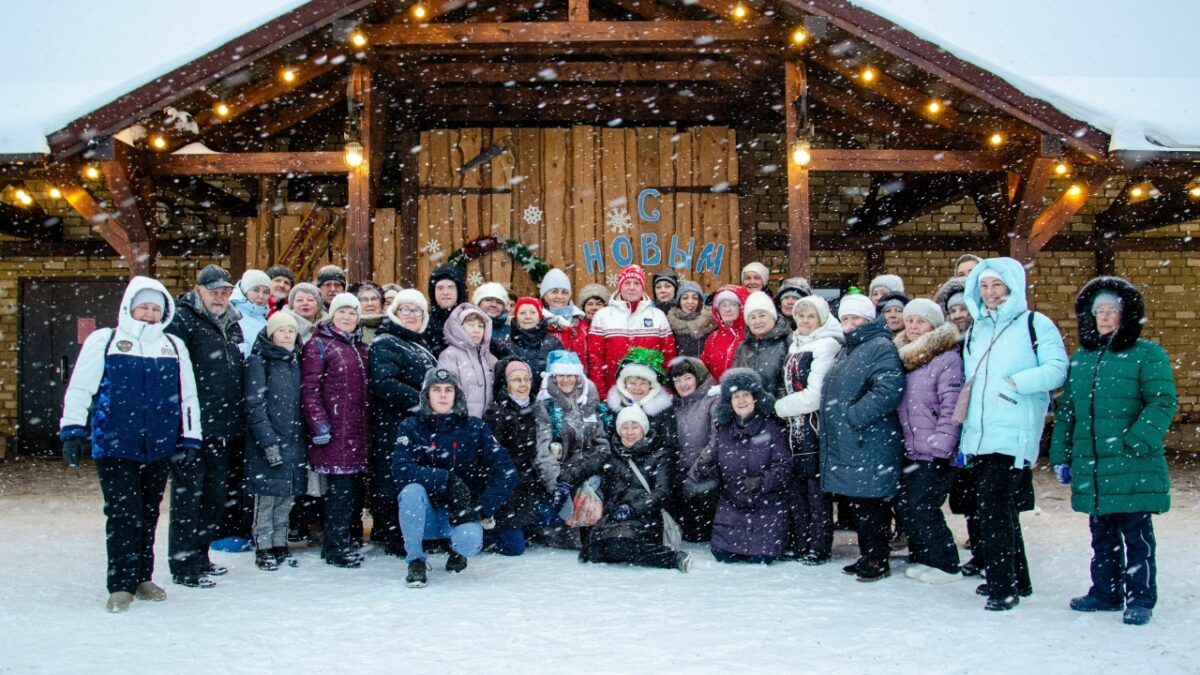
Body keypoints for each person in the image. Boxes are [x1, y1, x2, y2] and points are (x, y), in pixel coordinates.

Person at [59, 277, 201, 612]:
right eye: (144, 307)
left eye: (156, 308)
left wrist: (191, 437)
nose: (150, 314)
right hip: (115, 443)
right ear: (130, 307)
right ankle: (120, 584)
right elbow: (81, 387)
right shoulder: (106, 340)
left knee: (149, 512)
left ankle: (142, 577)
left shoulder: (173, 345)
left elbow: (188, 395)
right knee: (123, 513)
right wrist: (72, 429)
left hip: (160, 444)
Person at [1050, 277, 1176, 626]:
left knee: (1136, 535)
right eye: (1098, 311)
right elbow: (1068, 413)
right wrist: (1062, 455)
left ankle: (1140, 598)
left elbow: (1162, 402)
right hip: (1093, 467)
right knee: (1102, 535)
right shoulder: (1083, 359)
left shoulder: (1147, 354)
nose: (1104, 317)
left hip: (1132, 463)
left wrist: (1135, 442)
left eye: (1112, 311)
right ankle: (1105, 592)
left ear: (1127, 315)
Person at [959, 257, 1067, 611]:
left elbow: (1057, 369)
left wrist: (1017, 384)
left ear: (1012, 287)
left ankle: (1002, 586)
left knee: (993, 510)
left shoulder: (1035, 324)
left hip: (1012, 428)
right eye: (984, 287)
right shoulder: (978, 328)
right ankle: (1018, 578)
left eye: (997, 286)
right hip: (981, 431)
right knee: (1000, 509)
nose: (990, 293)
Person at [393, 369, 518, 588]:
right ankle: (416, 560)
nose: (443, 395)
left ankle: (457, 550)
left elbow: (507, 470)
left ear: (456, 394)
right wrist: (446, 479)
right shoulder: (411, 427)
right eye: (436, 389)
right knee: (410, 492)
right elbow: (401, 470)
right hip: (425, 513)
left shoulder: (475, 428)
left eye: (448, 390)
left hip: (460, 512)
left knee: (469, 544)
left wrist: (482, 508)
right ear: (427, 394)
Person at [165, 264, 245, 588]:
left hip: (223, 427)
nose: (220, 297)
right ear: (198, 289)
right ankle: (183, 566)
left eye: (225, 292)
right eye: (214, 291)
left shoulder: (232, 323)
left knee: (214, 497)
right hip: (191, 428)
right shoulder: (182, 320)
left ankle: (201, 556)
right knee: (188, 498)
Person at [819, 294, 905, 583]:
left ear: (868, 319)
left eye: (856, 318)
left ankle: (877, 559)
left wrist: (854, 417)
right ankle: (869, 555)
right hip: (853, 441)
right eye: (845, 319)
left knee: (871, 504)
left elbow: (888, 390)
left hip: (868, 440)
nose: (850, 323)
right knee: (859, 503)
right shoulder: (851, 348)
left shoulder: (879, 346)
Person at [553, 405, 691, 572]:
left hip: (645, 517)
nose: (630, 432)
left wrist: (633, 509)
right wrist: (564, 483)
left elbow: (662, 492)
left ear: (644, 429)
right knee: (591, 553)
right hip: (612, 517)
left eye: (635, 427)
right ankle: (623, 548)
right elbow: (584, 466)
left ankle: (672, 558)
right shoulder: (610, 455)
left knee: (623, 542)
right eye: (625, 427)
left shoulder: (659, 456)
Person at [893, 299, 963, 584]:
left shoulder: (946, 358)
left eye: (920, 321)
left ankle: (947, 564)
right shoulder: (905, 356)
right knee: (909, 506)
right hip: (911, 448)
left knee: (925, 506)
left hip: (935, 449)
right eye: (910, 321)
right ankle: (924, 558)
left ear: (933, 326)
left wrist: (942, 445)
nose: (913, 326)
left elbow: (952, 406)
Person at [689, 369, 792, 565]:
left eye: (746, 395)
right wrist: (705, 470)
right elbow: (716, 461)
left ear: (755, 398)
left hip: (766, 506)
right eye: (736, 396)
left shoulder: (772, 427)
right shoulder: (724, 429)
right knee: (723, 556)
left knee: (759, 559)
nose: (741, 400)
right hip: (732, 505)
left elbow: (784, 467)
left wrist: (762, 481)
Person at [301, 292, 371, 568]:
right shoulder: (319, 345)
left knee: (351, 491)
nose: (347, 317)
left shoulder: (359, 346)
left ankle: (345, 540)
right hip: (335, 432)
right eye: (341, 312)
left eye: (352, 313)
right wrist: (319, 425)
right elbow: (310, 389)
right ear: (332, 315)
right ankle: (335, 546)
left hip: (357, 431)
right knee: (339, 493)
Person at [775, 295, 843, 564]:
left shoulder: (825, 345)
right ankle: (802, 541)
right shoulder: (796, 344)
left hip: (814, 428)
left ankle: (819, 544)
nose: (804, 320)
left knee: (816, 491)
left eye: (810, 316)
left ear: (821, 319)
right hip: (795, 429)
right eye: (800, 315)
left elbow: (815, 396)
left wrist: (778, 407)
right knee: (798, 489)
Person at [369, 289, 437, 557]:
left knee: (411, 477)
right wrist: (424, 402)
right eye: (405, 309)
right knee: (392, 478)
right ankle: (393, 535)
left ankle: (413, 532)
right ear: (395, 313)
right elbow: (385, 384)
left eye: (417, 310)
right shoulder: (387, 342)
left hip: (418, 425)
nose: (411, 315)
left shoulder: (420, 344)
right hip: (394, 424)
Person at [243, 311, 307, 571]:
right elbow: (254, 405)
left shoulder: (296, 362)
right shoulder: (259, 362)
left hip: (294, 441)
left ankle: (280, 543)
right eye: (282, 330)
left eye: (291, 330)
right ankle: (263, 546)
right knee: (266, 498)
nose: (287, 335)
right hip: (269, 441)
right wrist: (267, 440)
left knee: (286, 497)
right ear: (271, 333)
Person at [534, 350, 611, 548]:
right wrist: (557, 485)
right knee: (566, 521)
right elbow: (543, 451)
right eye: (561, 375)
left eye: (570, 375)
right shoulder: (546, 404)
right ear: (554, 376)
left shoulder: (589, 398)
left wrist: (590, 476)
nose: (566, 380)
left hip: (588, 470)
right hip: (560, 473)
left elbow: (601, 444)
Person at [484, 358, 554, 556]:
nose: (522, 384)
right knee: (514, 548)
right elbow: (495, 461)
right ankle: (489, 534)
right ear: (506, 384)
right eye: (516, 380)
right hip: (510, 489)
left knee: (551, 523)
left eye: (526, 379)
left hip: (533, 485)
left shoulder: (537, 408)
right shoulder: (496, 413)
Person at [586, 264, 676, 397]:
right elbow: (595, 360)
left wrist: (666, 391)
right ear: (620, 286)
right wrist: (601, 394)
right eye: (627, 283)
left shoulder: (657, 316)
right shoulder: (603, 315)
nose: (632, 287)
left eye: (636, 283)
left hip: (650, 394)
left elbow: (669, 357)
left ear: (643, 288)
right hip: (614, 394)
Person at [669, 356, 719, 542]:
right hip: (680, 474)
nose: (683, 384)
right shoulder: (673, 404)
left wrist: (694, 473)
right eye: (677, 379)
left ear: (698, 377)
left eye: (687, 377)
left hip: (706, 473)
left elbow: (716, 441)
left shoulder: (713, 400)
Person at [605, 348, 679, 469]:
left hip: (653, 469)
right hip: (621, 470)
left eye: (643, 383)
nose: (637, 388)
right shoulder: (614, 408)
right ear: (624, 384)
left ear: (651, 386)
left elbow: (669, 446)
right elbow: (609, 442)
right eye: (633, 383)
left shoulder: (662, 410)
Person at [437, 303, 499, 418]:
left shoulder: (488, 358)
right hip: (461, 425)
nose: (477, 330)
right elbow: (447, 393)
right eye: (471, 325)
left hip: (485, 426)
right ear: (459, 328)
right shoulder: (449, 356)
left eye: (481, 326)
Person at [732, 291, 792, 398]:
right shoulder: (743, 347)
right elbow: (733, 380)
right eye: (752, 317)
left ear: (773, 317)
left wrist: (775, 406)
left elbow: (790, 383)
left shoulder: (786, 343)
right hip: (748, 410)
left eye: (762, 315)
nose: (757, 321)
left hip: (777, 410)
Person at [499, 297, 563, 388]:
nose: (527, 317)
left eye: (532, 312)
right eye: (522, 313)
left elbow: (561, 375)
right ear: (516, 317)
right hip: (515, 398)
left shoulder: (554, 343)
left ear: (539, 316)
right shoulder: (505, 344)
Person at [700, 284, 750, 382]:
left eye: (733, 305)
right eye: (723, 305)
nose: (727, 309)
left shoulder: (750, 334)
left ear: (741, 308)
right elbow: (705, 369)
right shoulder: (713, 337)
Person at [539, 268, 589, 362]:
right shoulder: (537, 322)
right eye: (554, 291)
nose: (560, 296)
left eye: (564, 292)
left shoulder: (582, 323)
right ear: (544, 295)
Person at [667, 280, 716, 359]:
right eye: (685, 298)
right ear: (679, 302)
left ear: (700, 301)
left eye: (695, 298)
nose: (690, 302)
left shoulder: (711, 323)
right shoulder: (669, 324)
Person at [427, 264, 467, 356]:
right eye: (440, 288)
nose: (445, 293)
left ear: (459, 291)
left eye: (450, 287)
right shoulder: (424, 322)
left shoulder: (470, 317)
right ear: (433, 292)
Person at [231, 269, 272, 356]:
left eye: (266, 292)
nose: (261, 296)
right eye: (256, 290)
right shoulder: (231, 316)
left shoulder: (267, 319)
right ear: (245, 291)